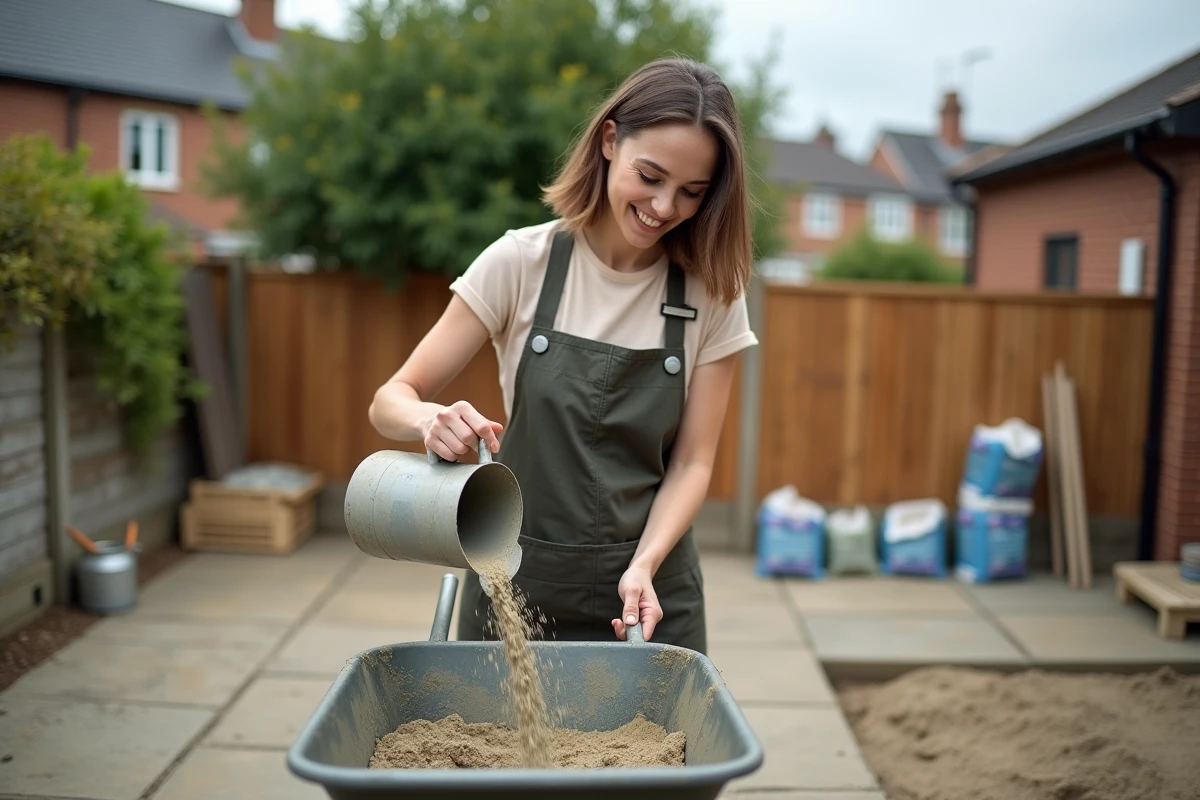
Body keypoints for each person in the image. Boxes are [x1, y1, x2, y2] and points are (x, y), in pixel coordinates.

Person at [367, 57, 758, 655]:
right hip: (515, 583)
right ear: (609, 140)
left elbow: (692, 464)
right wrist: (428, 419)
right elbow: (389, 400)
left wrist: (644, 565)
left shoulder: (712, 296)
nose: (663, 206)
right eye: (649, 176)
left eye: (691, 192)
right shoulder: (519, 264)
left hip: (648, 598)